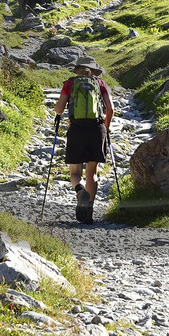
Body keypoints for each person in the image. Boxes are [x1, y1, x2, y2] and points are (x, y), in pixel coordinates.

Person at [52, 56, 114, 223]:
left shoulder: (70, 84)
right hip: (96, 128)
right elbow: (110, 109)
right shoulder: (100, 84)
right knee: (92, 173)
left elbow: (59, 108)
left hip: (77, 128)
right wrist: (106, 127)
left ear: (77, 71)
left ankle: (80, 191)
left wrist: (58, 112)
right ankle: (89, 211)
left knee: (75, 172)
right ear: (92, 71)